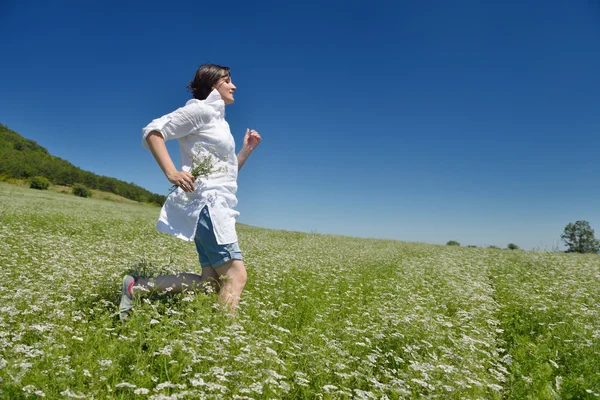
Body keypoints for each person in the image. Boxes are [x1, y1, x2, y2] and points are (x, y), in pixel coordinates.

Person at [119, 64, 261, 320]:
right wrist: (172, 172)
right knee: (236, 276)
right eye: (227, 80)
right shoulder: (200, 109)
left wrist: (245, 151)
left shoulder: (219, 121)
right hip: (209, 205)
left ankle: (136, 286)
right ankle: (223, 343)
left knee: (210, 284)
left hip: (219, 205)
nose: (234, 86)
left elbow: (225, 173)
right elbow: (153, 131)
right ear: (212, 84)